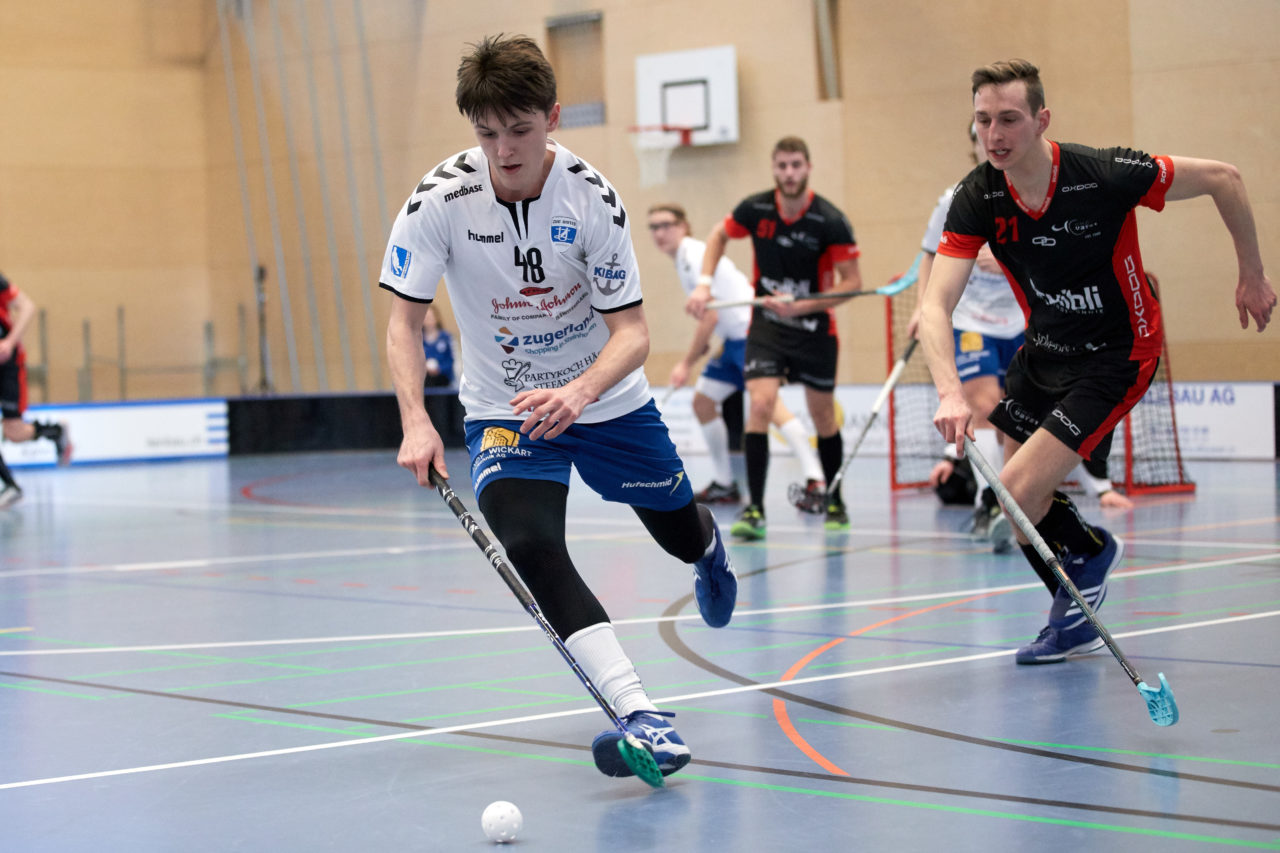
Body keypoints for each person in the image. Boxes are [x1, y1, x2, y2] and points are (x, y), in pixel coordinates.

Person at [379, 34, 736, 781]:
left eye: (520, 130)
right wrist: (415, 417)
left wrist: (578, 392)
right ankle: (641, 714)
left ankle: (707, 547)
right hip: (505, 408)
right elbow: (403, 321)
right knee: (532, 544)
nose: (504, 151)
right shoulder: (438, 199)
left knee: (676, 532)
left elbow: (633, 333)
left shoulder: (591, 197)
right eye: (486, 133)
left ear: (552, 118)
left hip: (603, 399)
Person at [920, 59, 1275, 666]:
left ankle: (1078, 592)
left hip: (1118, 355)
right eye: (983, 121)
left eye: (1009, 119)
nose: (995, 134)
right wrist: (949, 390)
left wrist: (1252, 273)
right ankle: (1085, 557)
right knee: (1014, 501)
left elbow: (1226, 176)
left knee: (1017, 490)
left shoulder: (1105, 174)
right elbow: (934, 304)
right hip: (1045, 351)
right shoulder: (977, 197)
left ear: (1041, 120)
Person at [685, 137, 863, 539]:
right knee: (760, 405)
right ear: (774, 169)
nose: (789, 173)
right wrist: (704, 285)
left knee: (822, 415)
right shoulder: (756, 208)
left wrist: (800, 306)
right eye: (782, 166)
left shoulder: (830, 221)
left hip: (815, 329)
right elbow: (717, 236)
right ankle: (755, 510)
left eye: (796, 165)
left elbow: (852, 283)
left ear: (808, 167)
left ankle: (834, 498)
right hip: (767, 326)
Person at [647, 202, 827, 504]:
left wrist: (686, 363)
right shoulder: (684, 259)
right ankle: (724, 482)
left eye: (666, 225)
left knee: (769, 407)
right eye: (654, 227)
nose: (659, 232)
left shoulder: (692, 253)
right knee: (704, 402)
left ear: (683, 227)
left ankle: (816, 479)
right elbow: (717, 314)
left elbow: (711, 317)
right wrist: (707, 346)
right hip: (733, 340)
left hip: (751, 336)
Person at [908, 121, 1026, 553]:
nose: (992, 139)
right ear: (974, 145)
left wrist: (1006, 254)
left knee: (1017, 418)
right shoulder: (955, 199)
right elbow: (929, 254)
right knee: (981, 403)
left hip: (1022, 316)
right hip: (973, 316)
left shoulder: (1031, 192)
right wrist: (924, 308)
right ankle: (991, 499)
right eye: (981, 132)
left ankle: (1015, 497)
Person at [0, 272, 71, 508]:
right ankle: (10, 486)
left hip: (7, 364)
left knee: (15, 432)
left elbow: (28, 307)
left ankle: (55, 432)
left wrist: (9, 342)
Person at [421, 303, 456, 387]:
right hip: (425, 382)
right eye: (426, 317)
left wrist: (439, 369)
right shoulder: (418, 339)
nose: (428, 320)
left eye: (431, 317)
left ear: (436, 318)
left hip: (444, 381)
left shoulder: (446, 337)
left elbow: (452, 359)